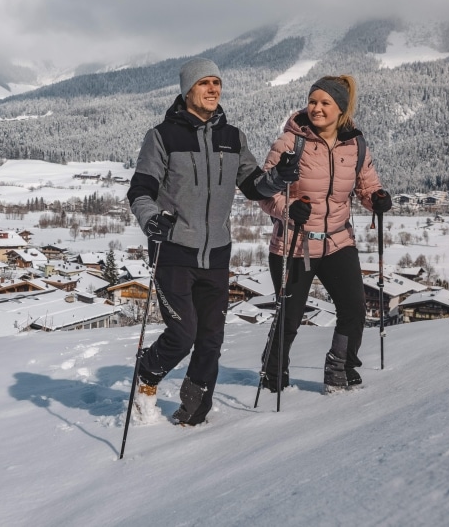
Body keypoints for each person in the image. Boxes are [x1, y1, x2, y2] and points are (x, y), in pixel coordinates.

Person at [127, 57, 299, 425]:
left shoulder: (232, 137)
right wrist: (151, 220)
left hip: (217, 254)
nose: (212, 89)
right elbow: (141, 189)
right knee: (183, 334)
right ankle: (147, 374)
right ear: (187, 89)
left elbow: (253, 185)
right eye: (204, 83)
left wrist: (279, 177)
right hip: (173, 252)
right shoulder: (162, 137)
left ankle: (194, 415)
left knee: (211, 339)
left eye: (216, 83)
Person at [257, 74, 392, 393]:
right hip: (295, 243)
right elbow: (263, 190)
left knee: (355, 308)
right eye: (312, 101)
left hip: (338, 241)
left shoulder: (355, 144)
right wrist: (288, 208)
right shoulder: (291, 142)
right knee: (290, 316)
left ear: (340, 109)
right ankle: (273, 372)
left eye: (325, 103)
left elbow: (366, 185)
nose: (316, 108)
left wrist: (377, 198)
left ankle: (340, 368)